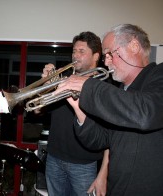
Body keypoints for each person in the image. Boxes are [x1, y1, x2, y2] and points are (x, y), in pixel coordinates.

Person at [54, 24, 163, 195]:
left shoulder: (159, 75)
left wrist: (87, 85)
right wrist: (78, 108)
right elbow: (100, 140)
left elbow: (146, 114)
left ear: (134, 46)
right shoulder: (121, 92)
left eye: (110, 54)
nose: (106, 62)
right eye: (105, 56)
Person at [36, 31, 109, 196]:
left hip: (85, 164)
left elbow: (111, 138)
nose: (75, 55)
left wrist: (103, 174)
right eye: (74, 51)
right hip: (54, 158)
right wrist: (47, 85)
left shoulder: (105, 86)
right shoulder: (63, 80)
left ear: (96, 56)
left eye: (81, 52)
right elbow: (37, 109)